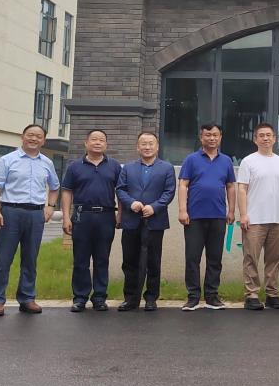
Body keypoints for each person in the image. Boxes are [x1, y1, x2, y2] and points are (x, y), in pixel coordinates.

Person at [0, 124, 60, 316]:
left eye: (38, 136)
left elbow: (54, 186)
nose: (34, 139)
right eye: (30, 135)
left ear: (43, 140)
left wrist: (50, 206)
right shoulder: (7, 160)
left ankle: (27, 298)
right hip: (10, 212)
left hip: (36, 215)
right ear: (22, 136)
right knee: (3, 259)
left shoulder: (47, 163)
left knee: (30, 259)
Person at [61, 129, 122, 312]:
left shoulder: (114, 166)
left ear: (106, 145)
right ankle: (80, 297)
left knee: (102, 259)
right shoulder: (74, 166)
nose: (97, 143)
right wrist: (66, 217)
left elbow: (121, 192)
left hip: (106, 216)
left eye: (101, 140)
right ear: (86, 143)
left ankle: (100, 297)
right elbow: (67, 191)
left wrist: (120, 214)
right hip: (82, 216)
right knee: (80, 259)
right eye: (94, 139)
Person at [177, 123, 236, 311]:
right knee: (192, 258)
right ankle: (193, 297)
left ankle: (212, 296)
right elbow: (183, 185)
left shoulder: (226, 161)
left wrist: (232, 210)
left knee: (215, 258)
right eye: (208, 135)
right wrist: (182, 210)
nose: (212, 138)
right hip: (194, 217)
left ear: (220, 137)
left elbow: (230, 186)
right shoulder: (191, 160)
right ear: (201, 137)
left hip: (218, 216)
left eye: (215, 135)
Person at [116, 132, 176, 312]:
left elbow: (169, 191)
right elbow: (120, 189)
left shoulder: (166, 168)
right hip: (131, 220)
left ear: (157, 147)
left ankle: (151, 298)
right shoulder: (128, 168)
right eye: (143, 143)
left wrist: (155, 207)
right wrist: (131, 203)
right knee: (129, 261)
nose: (147, 147)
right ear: (137, 147)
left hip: (155, 220)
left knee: (153, 261)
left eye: (151, 143)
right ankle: (130, 298)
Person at [237, 122, 279, 311]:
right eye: (261, 135)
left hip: (277, 220)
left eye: (269, 135)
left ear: (274, 138)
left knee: (274, 259)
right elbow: (242, 189)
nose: (265, 138)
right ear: (255, 139)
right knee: (251, 258)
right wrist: (243, 214)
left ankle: (272, 294)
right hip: (254, 219)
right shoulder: (248, 161)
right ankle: (251, 295)